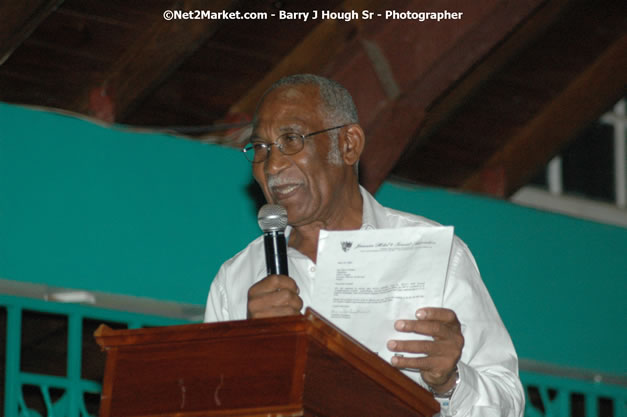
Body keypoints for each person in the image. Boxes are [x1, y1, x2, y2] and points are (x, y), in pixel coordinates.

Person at [204, 74, 524, 416]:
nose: (273, 165)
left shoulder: (434, 255)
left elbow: (508, 404)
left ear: (348, 145)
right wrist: (250, 352)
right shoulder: (236, 280)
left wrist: (450, 381)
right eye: (261, 148)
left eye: (291, 139)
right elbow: (208, 404)